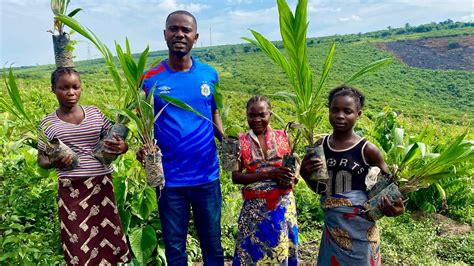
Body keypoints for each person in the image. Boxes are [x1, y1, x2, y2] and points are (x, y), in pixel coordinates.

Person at [138, 10, 224, 265]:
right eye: (173, 29)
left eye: (185, 30)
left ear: (195, 37)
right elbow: (142, 121)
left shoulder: (209, 75)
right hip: (169, 180)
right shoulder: (148, 78)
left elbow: (215, 112)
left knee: (213, 245)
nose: (179, 34)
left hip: (207, 176)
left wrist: (230, 142)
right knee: (175, 248)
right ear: (165, 35)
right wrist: (141, 148)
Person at [299, 85, 404, 265]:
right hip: (332, 231)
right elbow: (321, 190)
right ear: (329, 111)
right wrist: (304, 173)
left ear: (358, 114)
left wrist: (397, 209)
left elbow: (391, 190)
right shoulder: (320, 146)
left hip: (362, 232)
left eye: (347, 111)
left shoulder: (368, 150)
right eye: (335, 110)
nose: (340, 115)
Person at [37, 67, 131, 265]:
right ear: (53, 89)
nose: (71, 93)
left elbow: (116, 140)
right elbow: (42, 160)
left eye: (75, 87)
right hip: (72, 189)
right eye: (64, 88)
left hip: (102, 185)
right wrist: (54, 161)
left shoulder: (95, 113)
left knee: (108, 237)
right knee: (77, 239)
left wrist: (122, 147)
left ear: (81, 88)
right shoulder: (47, 124)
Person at [232, 96, 298, 265]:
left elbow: (294, 166)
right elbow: (236, 176)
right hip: (254, 209)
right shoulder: (239, 141)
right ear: (246, 115)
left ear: (270, 114)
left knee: (281, 249)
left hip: (282, 205)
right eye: (251, 115)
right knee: (253, 251)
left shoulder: (283, 136)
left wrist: (292, 178)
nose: (256, 120)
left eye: (262, 115)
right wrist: (270, 174)